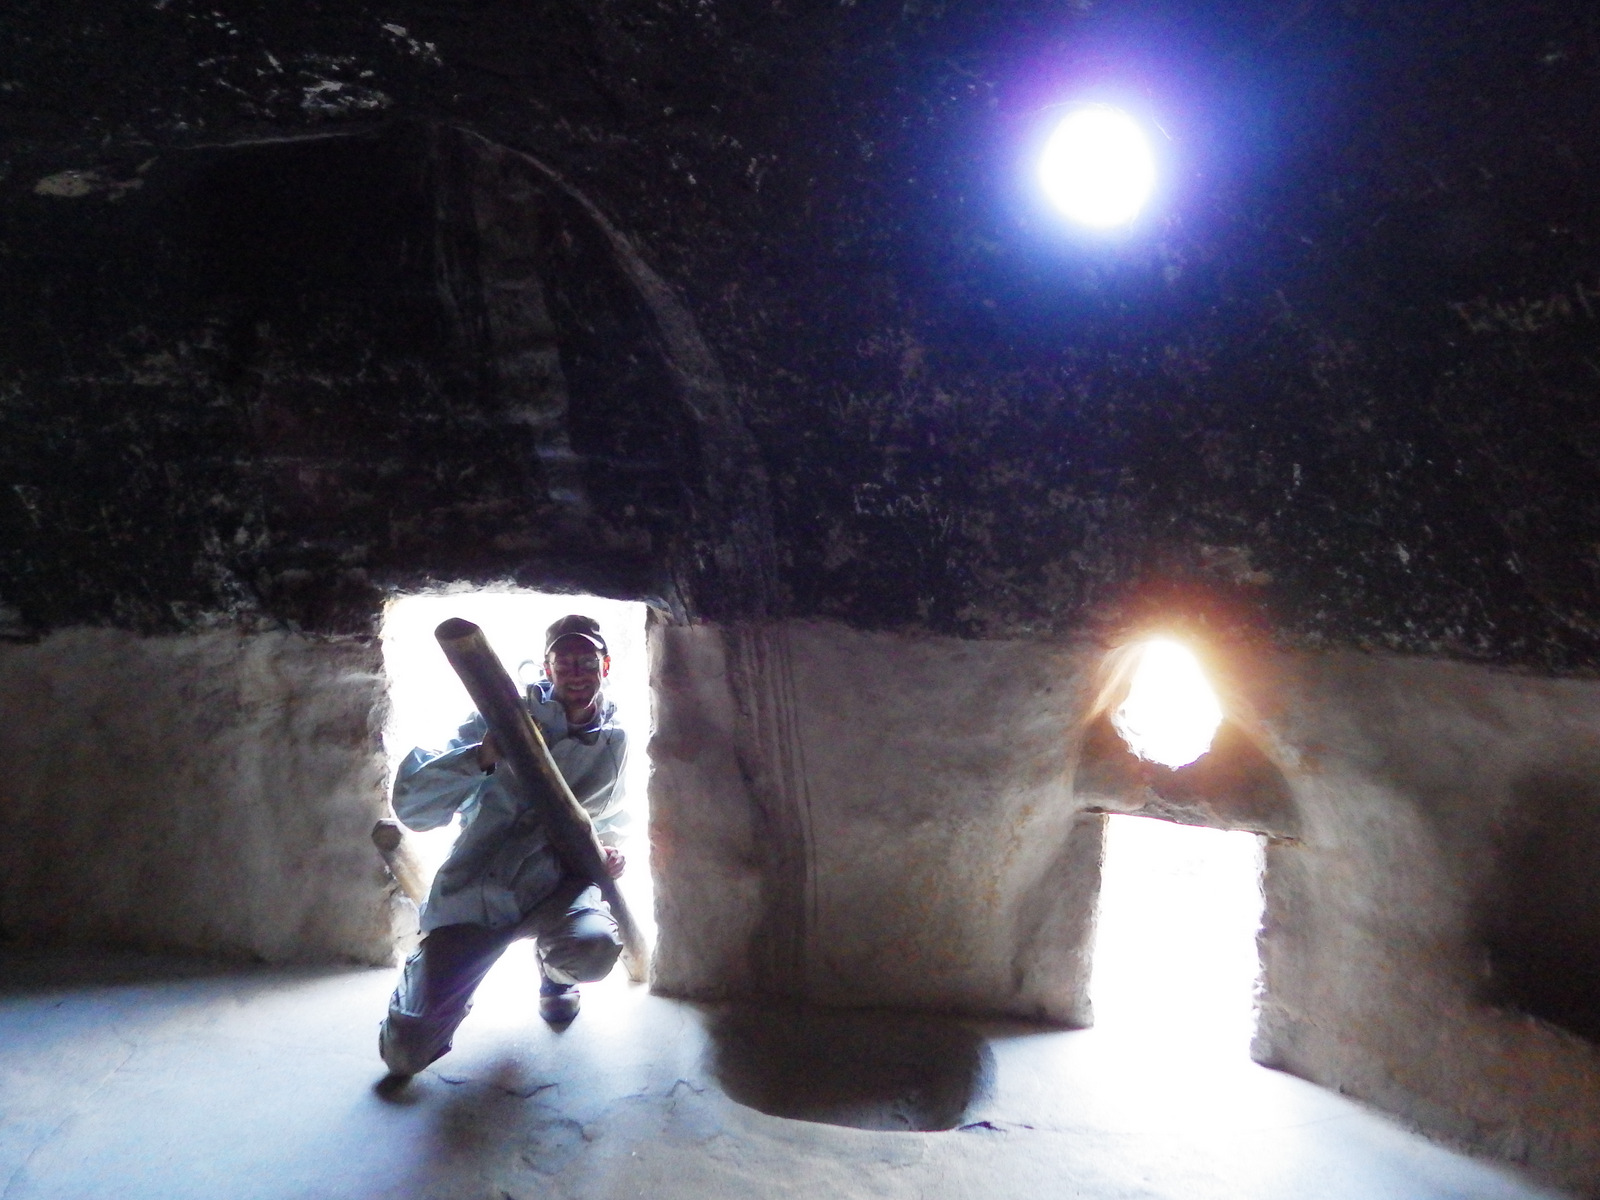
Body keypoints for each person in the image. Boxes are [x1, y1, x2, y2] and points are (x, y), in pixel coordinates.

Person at [378, 613, 629, 1080]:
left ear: (605, 667)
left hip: (555, 886)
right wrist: (482, 755)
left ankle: (555, 977)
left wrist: (611, 851)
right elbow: (415, 806)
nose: (577, 672)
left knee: (591, 950)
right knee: (406, 1054)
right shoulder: (499, 717)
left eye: (588, 660)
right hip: (480, 890)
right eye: (565, 661)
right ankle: (427, 982)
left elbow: (612, 816)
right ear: (547, 668)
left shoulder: (614, 740)